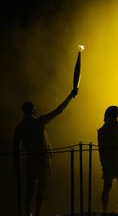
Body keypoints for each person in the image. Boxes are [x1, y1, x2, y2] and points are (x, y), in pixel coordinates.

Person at [14, 88, 78, 216]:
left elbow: (15, 147)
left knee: (30, 189)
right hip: (42, 159)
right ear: (33, 110)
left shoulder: (20, 127)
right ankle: (36, 213)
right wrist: (70, 96)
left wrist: (16, 166)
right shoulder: (38, 121)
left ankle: (29, 214)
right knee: (40, 189)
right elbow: (58, 110)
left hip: (32, 160)